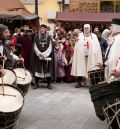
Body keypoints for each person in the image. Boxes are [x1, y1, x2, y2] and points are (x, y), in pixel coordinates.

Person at [31, 24, 54, 89]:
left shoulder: (49, 37)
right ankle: (36, 83)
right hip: (38, 57)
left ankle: (49, 84)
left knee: (47, 70)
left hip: (46, 57)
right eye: (41, 28)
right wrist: (39, 54)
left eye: (43, 28)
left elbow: (50, 47)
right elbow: (35, 47)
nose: (42, 29)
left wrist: (44, 55)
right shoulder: (36, 37)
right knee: (37, 70)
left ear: (46, 30)